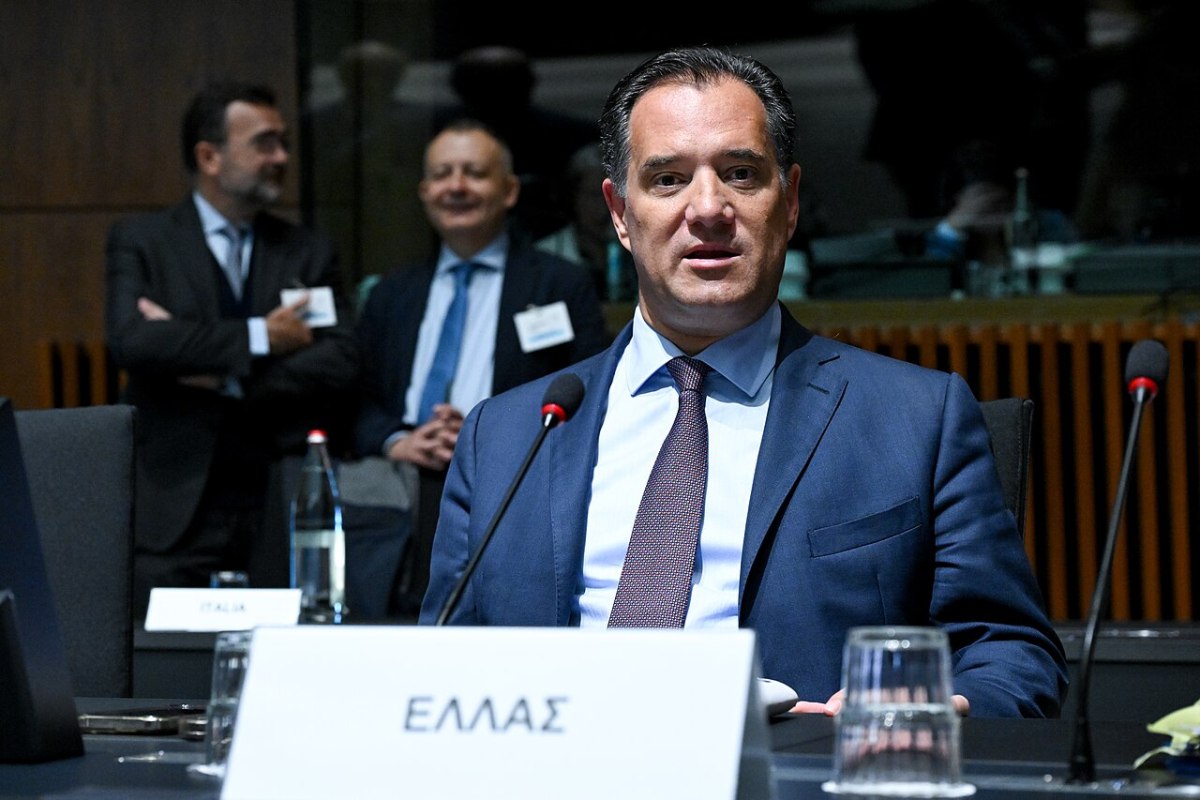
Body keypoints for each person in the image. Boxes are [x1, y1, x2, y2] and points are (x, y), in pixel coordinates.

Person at [419, 46, 1068, 718]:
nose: (708, 208)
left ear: (789, 202)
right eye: (668, 179)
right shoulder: (505, 437)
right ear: (619, 212)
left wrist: (916, 710)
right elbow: (439, 669)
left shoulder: (917, 418)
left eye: (740, 174)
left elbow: (1012, 657)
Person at [105, 81, 360, 619]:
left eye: (283, 142)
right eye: (265, 143)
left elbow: (339, 360)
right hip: (172, 502)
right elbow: (134, 342)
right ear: (209, 157)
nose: (282, 157)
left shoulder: (308, 251)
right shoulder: (144, 241)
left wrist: (221, 371)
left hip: (278, 494)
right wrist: (261, 337)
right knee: (160, 659)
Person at [354, 117, 609, 618]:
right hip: (399, 496)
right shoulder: (391, 293)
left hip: (511, 489)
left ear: (509, 190)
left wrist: (486, 436)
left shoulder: (560, 284)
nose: (457, 186)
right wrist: (397, 439)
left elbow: (587, 388)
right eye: (442, 174)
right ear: (425, 193)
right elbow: (357, 399)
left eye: (474, 173)